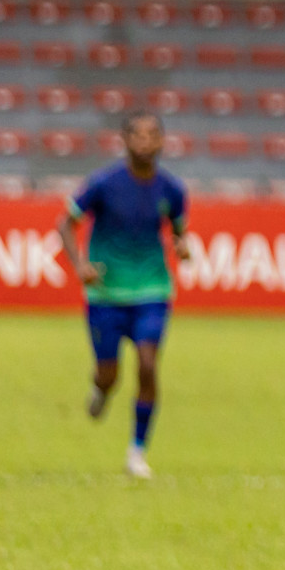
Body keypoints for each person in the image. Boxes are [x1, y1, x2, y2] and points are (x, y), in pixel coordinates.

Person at [57, 111, 189, 479]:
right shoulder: (103, 184)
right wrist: (80, 263)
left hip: (151, 290)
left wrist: (182, 245)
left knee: (148, 365)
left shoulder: (173, 190)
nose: (146, 142)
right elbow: (65, 222)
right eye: (138, 135)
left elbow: (179, 228)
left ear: (162, 141)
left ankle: (137, 451)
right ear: (125, 140)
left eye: (152, 135)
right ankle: (101, 390)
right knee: (108, 373)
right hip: (106, 294)